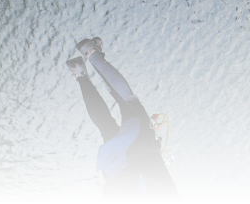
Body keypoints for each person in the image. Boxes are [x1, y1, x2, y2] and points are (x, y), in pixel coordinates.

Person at [67, 37, 183, 204]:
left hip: (141, 149)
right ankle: (79, 73)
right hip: (113, 171)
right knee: (106, 128)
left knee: (129, 103)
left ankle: (91, 53)